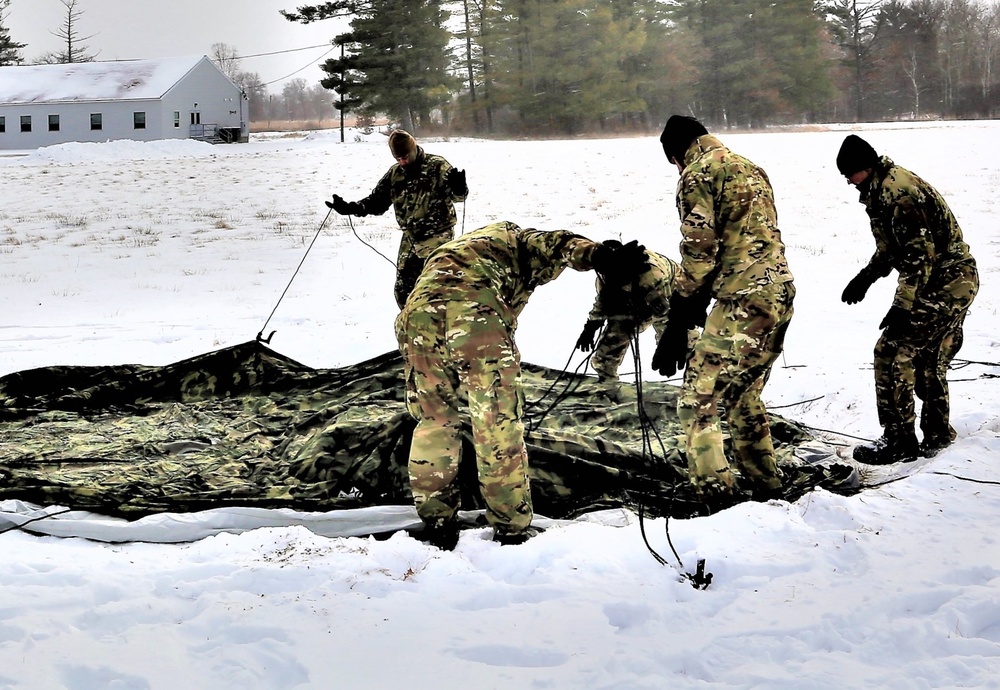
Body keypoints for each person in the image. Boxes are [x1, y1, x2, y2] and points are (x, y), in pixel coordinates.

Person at [394, 220, 645, 548]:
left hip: (417, 319)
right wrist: (597, 254)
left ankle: (437, 521)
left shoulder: (462, 248)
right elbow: (558, 243)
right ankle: (510, 527)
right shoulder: (516, 237)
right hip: (474, 318)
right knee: (496, 425)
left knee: (434, 421)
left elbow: (413, 290)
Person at [651, 115, 795, 505]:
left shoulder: (698, 173)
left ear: (675, 154)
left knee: (697, 400)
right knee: (743, 393)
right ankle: (767, 484)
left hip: (742, 301)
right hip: (779, 294)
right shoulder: (749, 166)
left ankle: (715, 496)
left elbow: (700, 250)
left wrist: (679, 314)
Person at [835, 134, 978, 464]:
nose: (846, 180)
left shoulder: (898, 193)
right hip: (942, 280)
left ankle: (898, 441)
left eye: (849, 173)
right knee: (927, 359)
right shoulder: (879, 188)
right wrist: (866, 277)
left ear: (865, 167)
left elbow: (919, 257)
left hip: (947, 283)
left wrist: (902, 306)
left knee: (892, 351)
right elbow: (892, 248)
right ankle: (938, 435)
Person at [328, 129, 468, 308]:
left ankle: (440, 328)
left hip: (437, 236)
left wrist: (459, 188)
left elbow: (458, 197)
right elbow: (378, 201)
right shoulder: (395, 173)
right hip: (410, 238)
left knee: (436, 288)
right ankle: (412, 329)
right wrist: (353, 207)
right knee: (404, 291)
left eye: (405, 157)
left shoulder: (437, 166)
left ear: (414, 150)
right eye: (398, 159)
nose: (403, 162)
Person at [576, 246, 677, 382]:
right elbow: (604, 300)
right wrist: (591, 326)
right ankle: (607, 383)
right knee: (612, 340)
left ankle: (700, 383)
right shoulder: (606, 274)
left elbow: (665, 312)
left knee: (679, 341)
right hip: (637, 295)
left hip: (672, 290)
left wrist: (668, 345)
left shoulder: (650, 276)